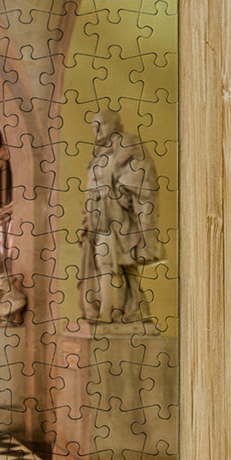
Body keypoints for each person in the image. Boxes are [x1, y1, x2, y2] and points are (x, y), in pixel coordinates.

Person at [78, 108, 161, 322]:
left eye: (101, 124)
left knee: (114, 264)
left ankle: (110, 312)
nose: (96, 130)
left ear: (114, 125)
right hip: (99, 218)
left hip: (116, 218)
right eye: (93, 126)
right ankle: (133, 310)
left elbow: (140, 181)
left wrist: (119, 196)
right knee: (117, 266)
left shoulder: (126, 144)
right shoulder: (98, 155)